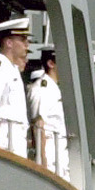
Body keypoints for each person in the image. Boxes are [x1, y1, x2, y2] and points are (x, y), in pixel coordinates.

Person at [0, 18, 32, 153]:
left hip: (17, 138)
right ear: (9, 43)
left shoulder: (12, 69)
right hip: (5, 139)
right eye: (22, 40)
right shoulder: (0, 68)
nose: (27, 44)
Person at [30, 51, 69, 179]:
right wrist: (42, 162)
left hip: (60, 153)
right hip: (50, 152)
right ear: (51, 64)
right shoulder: (43, 88)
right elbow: (38, 124)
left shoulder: (54, 88)